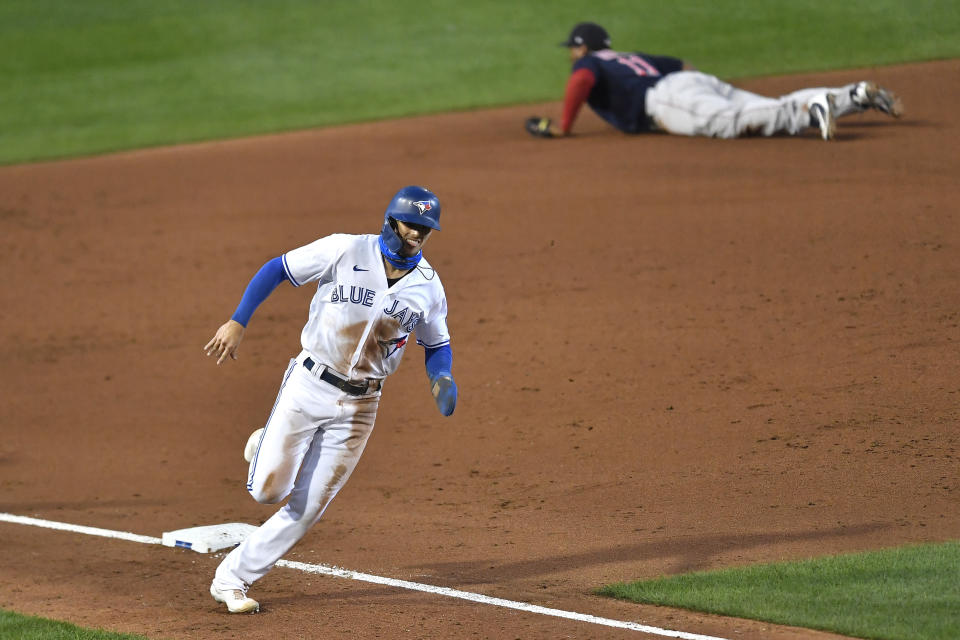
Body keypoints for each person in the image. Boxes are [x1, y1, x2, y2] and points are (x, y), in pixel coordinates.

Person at [202, 185, 458, 613]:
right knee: (267, 492)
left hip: (361, 407)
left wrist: (443, 375)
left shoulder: (429, 286)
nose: (418, 234)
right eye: (412, 225)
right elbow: (277, 269)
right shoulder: (345, 250)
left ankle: (232, 579)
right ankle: (264, 443)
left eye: (426, 230)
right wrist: (237, 321)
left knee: (307, 508)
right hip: (309, 385)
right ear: (391, 221)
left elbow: (437, 343)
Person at [525, 22, 903, 142]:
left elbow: (582, 81)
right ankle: (852, 96)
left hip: (664, 98)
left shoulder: (589, 62)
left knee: (732, 123)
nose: (571, 56)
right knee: (763, 106)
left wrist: (564, 127)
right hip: (695, 83)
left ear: (580, 47)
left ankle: (810, 109)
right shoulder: (625, 57)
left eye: (572, 50)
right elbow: (684, 64)